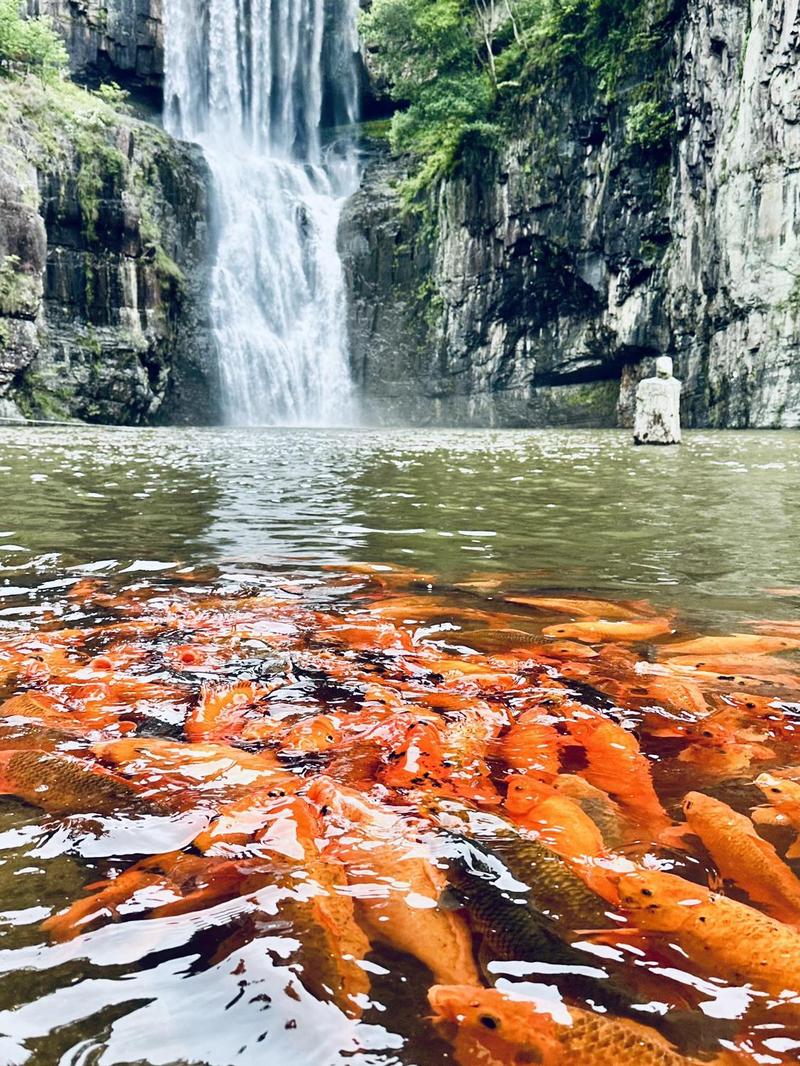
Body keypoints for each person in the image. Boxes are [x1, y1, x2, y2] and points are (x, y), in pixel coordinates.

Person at [633, 355, 682, 445]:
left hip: (665, 429)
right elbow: (640, 406)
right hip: (653, 429)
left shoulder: (674, 384)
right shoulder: (646, 384)